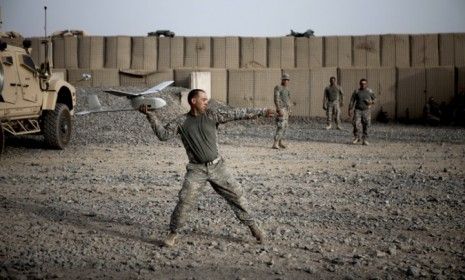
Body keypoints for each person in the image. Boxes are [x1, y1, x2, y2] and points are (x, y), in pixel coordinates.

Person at [139, 89, 274, 247]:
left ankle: (255, 229)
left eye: (207, 100)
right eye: (203, 99)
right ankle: (173, 233)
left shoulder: (212, 115)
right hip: (196, 170)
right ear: (193, 101)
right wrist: (150, 115)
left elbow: (238, 113)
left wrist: (263, 111)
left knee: (237, 196)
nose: (206, 102)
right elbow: (163, 135)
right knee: (185, 201)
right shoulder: (181, 122)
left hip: (218, 167)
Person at [348, 78, 376, 145]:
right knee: (355, 124)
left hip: (366, 111)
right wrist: (350, 109)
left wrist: (370, 103)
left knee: (366, 125)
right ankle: (357, 137)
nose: (363, 85)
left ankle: (365, 139)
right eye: (361, 84)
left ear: (366, 84)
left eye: (364, 84)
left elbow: (375, 99)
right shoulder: (356, 91)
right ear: (359, 84)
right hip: (358, 110)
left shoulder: (369, 91)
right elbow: (352, 101)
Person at [273, 73, 292, 149]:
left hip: (286, 110)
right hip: (281, 109)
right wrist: (278, 109)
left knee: (285, 127)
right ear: (282, 80)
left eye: (287, 80)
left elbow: (289, 100)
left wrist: (290, 110)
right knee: (280, 126)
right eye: (285, 80)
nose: (287, 81)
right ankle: (275, 143)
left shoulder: (287, 90)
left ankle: (281, 142)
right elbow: (276, 98)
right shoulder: (278, 88)